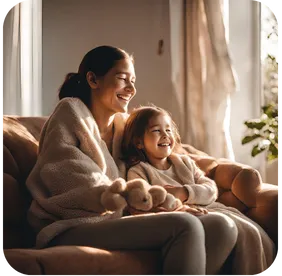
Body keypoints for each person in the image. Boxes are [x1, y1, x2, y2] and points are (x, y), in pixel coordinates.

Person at [26, 45, 238, 276]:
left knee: (222, 226)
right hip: (72, 225)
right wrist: (149, 205)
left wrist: (171, 202)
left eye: (133, 80)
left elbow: (150, 170)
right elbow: (69, 175)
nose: (131, 88)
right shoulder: (69, 113)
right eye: (122, 78)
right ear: (92, 79)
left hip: (116, 220)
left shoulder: (122, 129)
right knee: (184, 225)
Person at [121, 105, 276, 276]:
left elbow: (211, 189)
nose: (166, 135)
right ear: (138, 142)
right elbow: (145, 202)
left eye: (168, 130)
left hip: (213, 208)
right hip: (185, 216)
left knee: (251, 232)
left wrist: (185, 192)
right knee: (232, 229)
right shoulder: (138, 171)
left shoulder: (185, 162)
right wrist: (181, 207)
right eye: (157, 131)